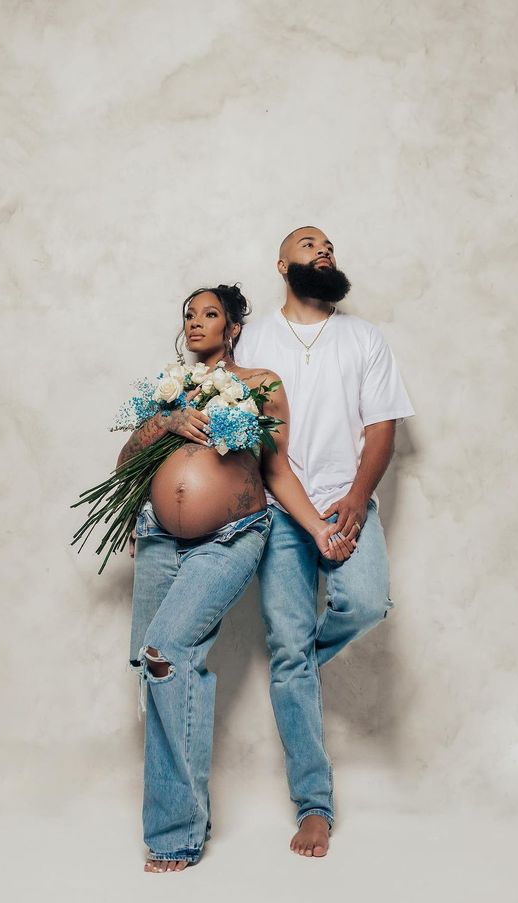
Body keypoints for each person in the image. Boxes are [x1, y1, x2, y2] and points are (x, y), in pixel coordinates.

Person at [117, 283, 355, 872]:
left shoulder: (260, 384)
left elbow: (275, 467)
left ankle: (175, 835)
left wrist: (319, 531)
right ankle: (185, 813)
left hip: (230, 536)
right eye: (189, 315)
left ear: (233, 327)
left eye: (210, 314)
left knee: (166, 650)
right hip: (158, 536)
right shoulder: (166, 391)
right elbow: (127, 464)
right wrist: (166, 423)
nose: (196, 322)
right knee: (154, 666)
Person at [234, 227, 415, 858]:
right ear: (282, 264)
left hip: (345, 499)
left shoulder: (364, 339)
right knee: (286, 644)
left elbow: (382, 428)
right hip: (280, 511)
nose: (325, 251)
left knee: (363, 605)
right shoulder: (250, 340)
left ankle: (295, 672)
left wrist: (359, 501)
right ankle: (315, 807)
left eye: (331, 245)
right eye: (310, 245)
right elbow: (242, 434)